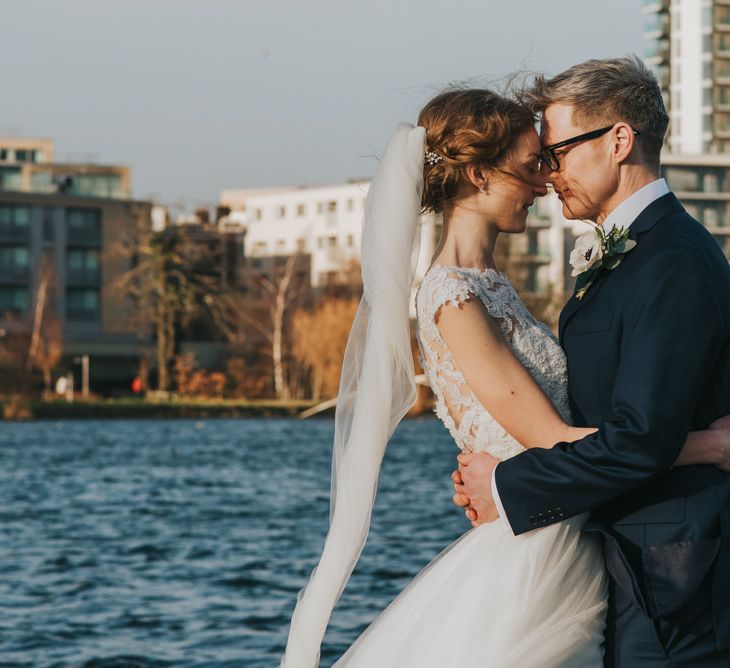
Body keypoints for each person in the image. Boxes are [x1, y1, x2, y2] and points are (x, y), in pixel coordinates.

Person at [281, 84, 730, 668]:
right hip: (535, 553)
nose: (545, 182)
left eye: (550, 161)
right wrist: (712, 445)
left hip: (567, 531)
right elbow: (555, 438)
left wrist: (505, 480)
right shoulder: (451, 297)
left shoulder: (490, 286)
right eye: (530, 166)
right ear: (477, 175)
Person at [455, 57, 730, 666]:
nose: (549, 175)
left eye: (558, 152)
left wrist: (505, 484)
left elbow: (640, 439)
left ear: (619, 142)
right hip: (622, 559)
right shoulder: (633, 257)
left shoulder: (673, 260)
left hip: (673, 575)